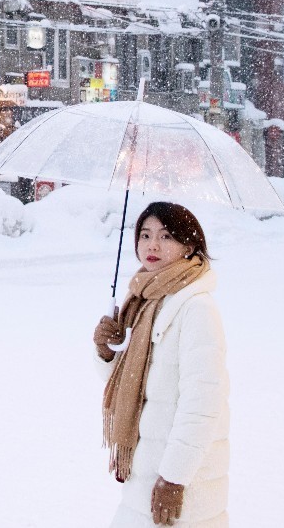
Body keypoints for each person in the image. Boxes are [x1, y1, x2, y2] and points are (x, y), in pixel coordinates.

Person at [93, 202, 230, 528]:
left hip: (181, 480)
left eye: (166, 236)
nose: (152, 245)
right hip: (143, 474)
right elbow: (129, 385)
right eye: (145, 234)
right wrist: (107, 351)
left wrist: (174, 477)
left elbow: (202, 403)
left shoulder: (196, 308)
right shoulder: (143, 299)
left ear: (189, 246)